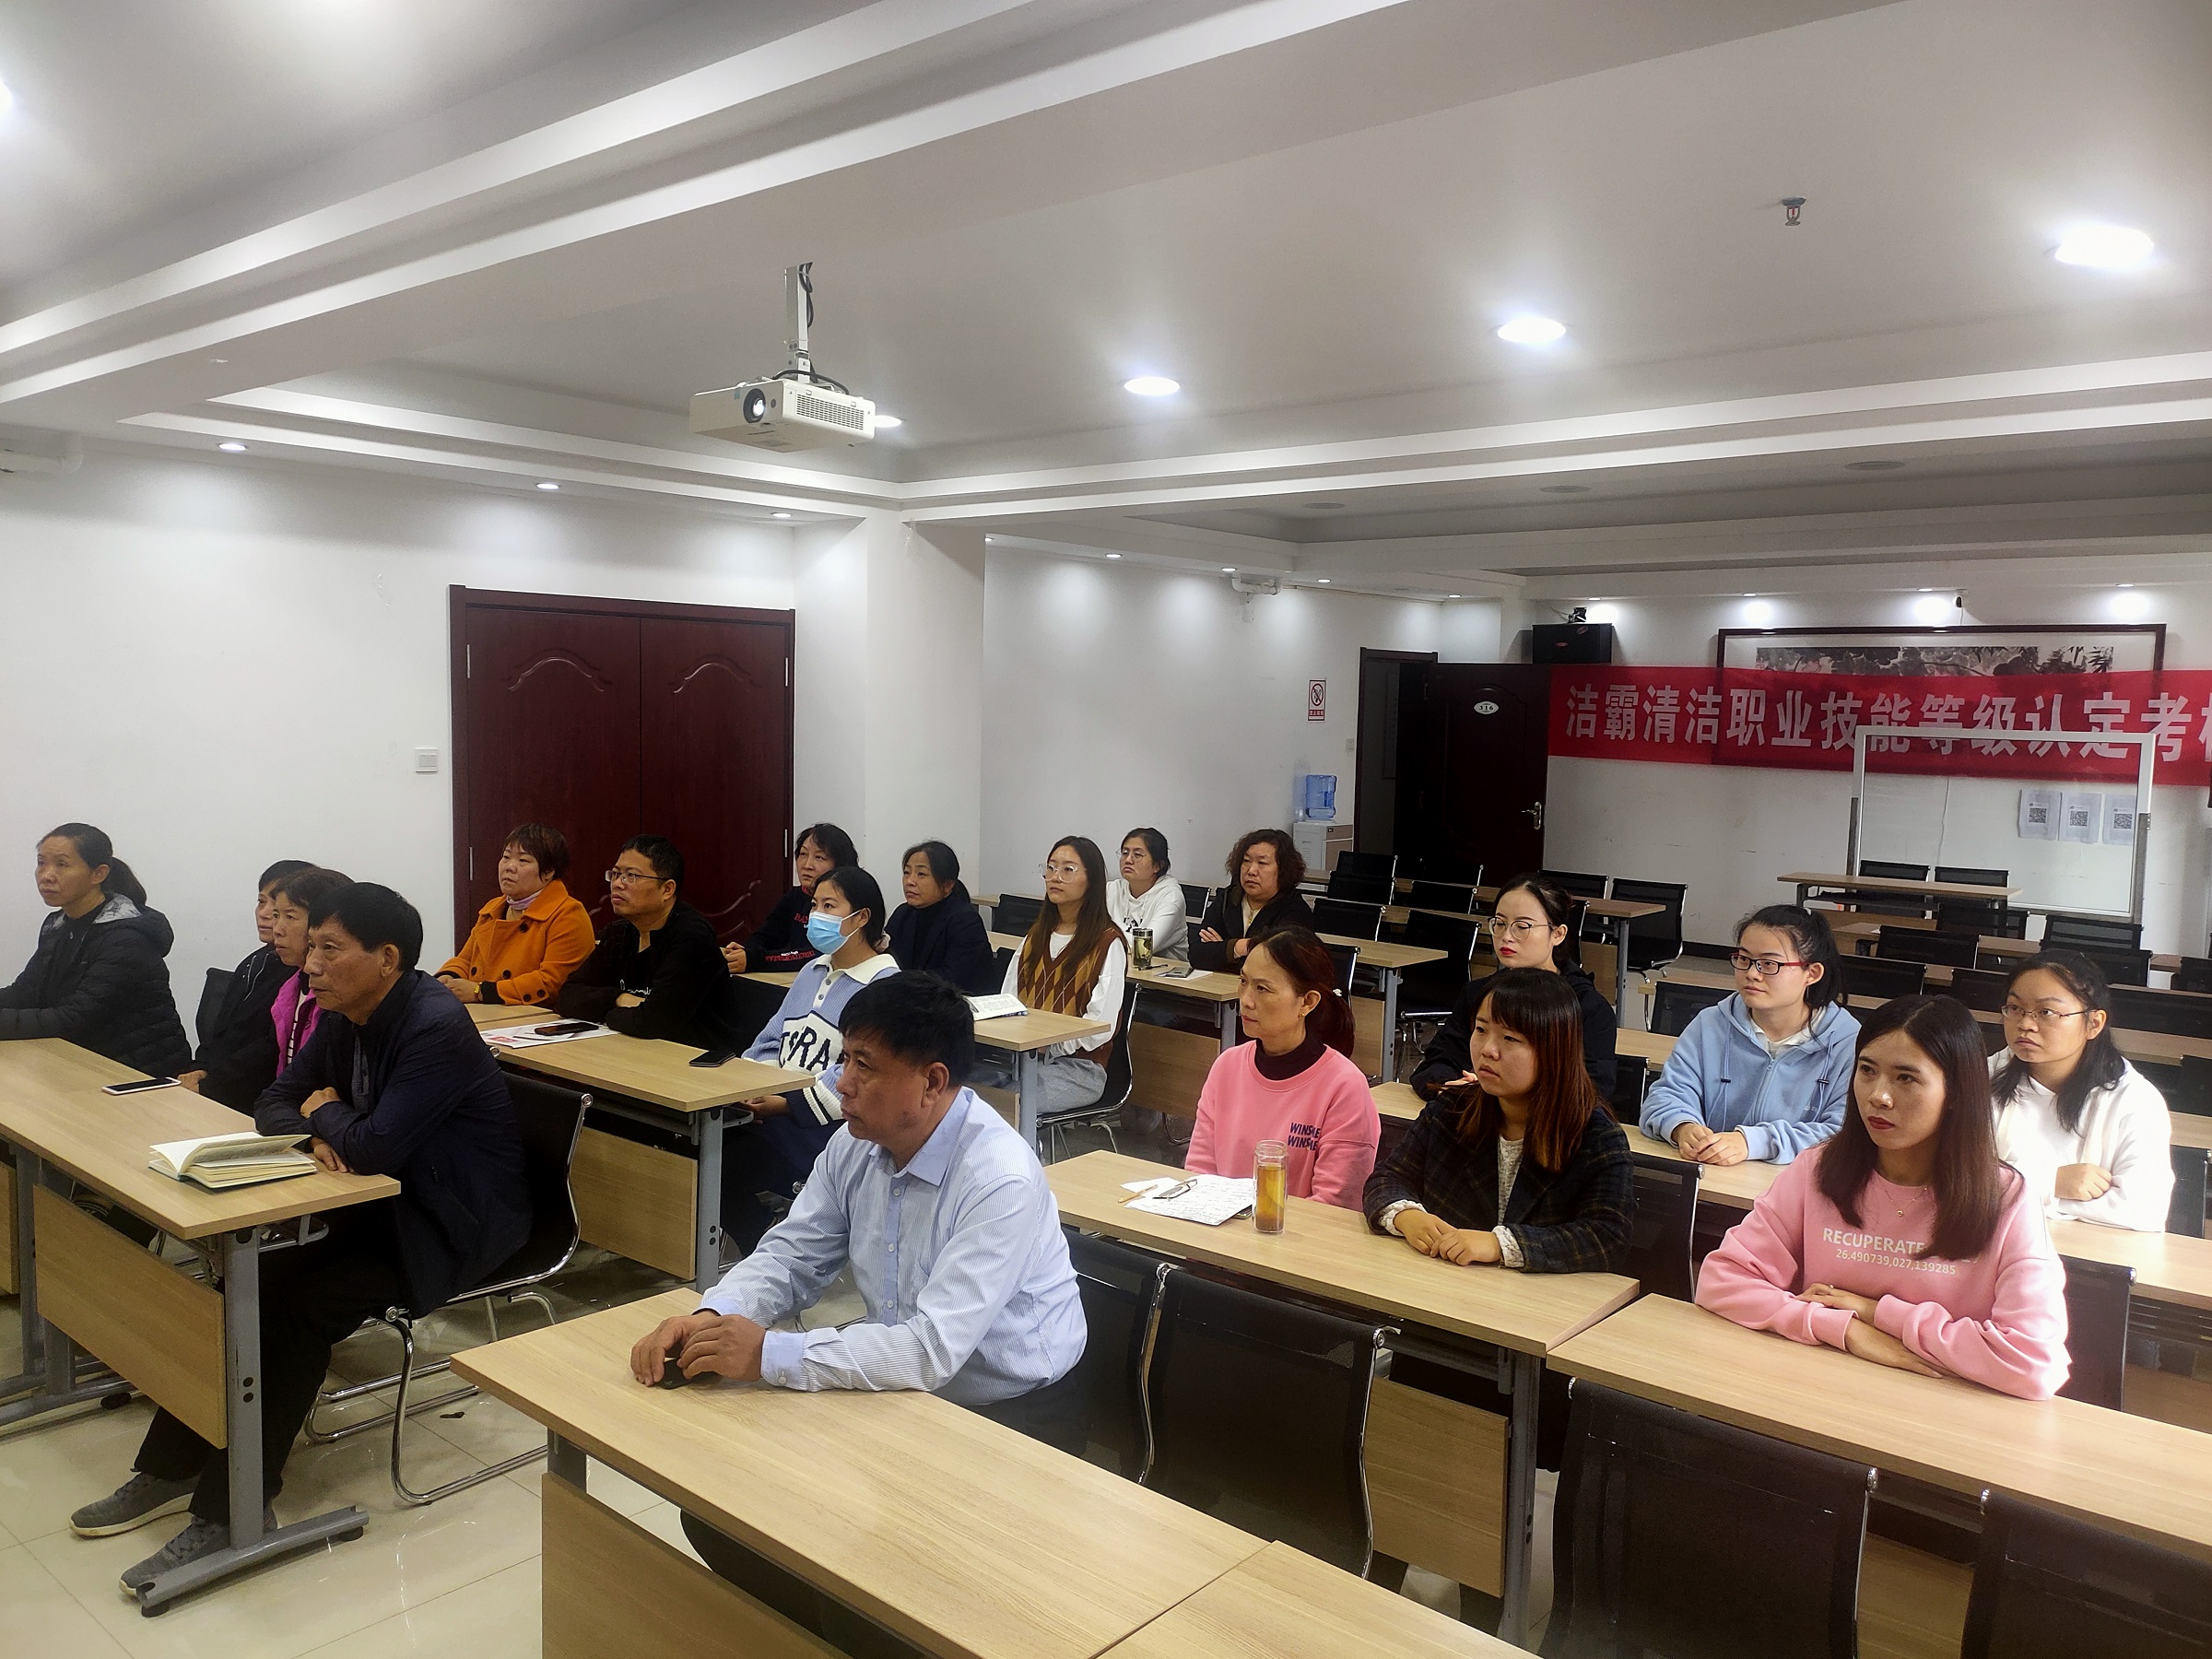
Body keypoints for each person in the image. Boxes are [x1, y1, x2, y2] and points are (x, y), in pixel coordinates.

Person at [76, 883, 529, 1583]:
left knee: (291, 1308)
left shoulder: (434, 1025)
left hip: (448, 1222)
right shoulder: (345, 1011)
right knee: (244, 1284)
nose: (310, 964)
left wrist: (328, 1115)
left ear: (387, 958)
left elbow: (375, 1147)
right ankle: (170, 1467)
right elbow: (276, 1098)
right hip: (373, 1205)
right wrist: (322, 1122)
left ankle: (234, 1513)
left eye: (329, 948)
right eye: (311, 946)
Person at [629, 973, 1086, 1651]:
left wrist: (768, 1353)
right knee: (727, 1520)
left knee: (871, 1597)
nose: (840, 1083)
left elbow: (931, 1350)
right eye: (844, 1058)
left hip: (1013, 1415)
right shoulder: (856, 1143)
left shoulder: (999, 1177)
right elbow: (792, 1254)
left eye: (864, 1066)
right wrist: (714, 1315)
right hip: (901, 1390)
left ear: (932, 1082)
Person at [1696, 994, 2071, 1400]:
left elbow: (2033, 1363)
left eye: (1905, 1078)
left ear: (1957, 1092)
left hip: (1939, 1406)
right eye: (1867, 1070)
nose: (1878, 1096)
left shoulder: (2006, 1199)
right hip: (1811, 1392)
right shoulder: (1816, 1170)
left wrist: (1877, 1313)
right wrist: (1846, 1330)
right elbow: (1721, 1281)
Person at [1365, 968, 1634, 1273]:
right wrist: (1407, 1215)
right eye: (1481, 1030)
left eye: (1509, 1038)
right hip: (1443, 1282)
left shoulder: (1597, 1137)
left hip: (1536, 1297)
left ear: (1554, 1051)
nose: (1487, 1050)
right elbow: (1387, 1178)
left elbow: (1607, 1237)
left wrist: (1501, 1245)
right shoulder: (1453, 1109)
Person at [725, 865, 900, 1249]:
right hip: (773, 1113)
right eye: (815, 905)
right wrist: (752, 1089)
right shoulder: (812, 971)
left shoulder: (884, 986)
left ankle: (772, 1253)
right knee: (694, 1146)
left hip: (827, 1129)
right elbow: (770, 1040)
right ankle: (769, 1242)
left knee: (720, 1166)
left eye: (829, 906)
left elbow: (860, 1074)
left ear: (862, 917)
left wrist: (785, 1103)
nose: (816, 915)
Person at [1639, 904, 1858, 1166]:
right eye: (1744, 959)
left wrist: (1753, 1142)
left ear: (1812, 973)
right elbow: (1666, 1095)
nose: (1752, 974)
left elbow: (1843, 1134)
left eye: (1769, 964)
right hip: (1714, 1176)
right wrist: (1682, 1126)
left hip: (1797, 1184)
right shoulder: (1710, 1025)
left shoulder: (1849, 1044)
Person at [1185, 927, 1378, 1208]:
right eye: (1243, 982)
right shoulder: (1227, 1065)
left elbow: (1333, 1206)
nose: (1246, 1000)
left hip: (1299, 1234)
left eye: (1262, 989)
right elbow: (1200, 1172)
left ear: (1307, 1002)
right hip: (1220, 1227)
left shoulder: (1344, 1086)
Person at [1990, 952, 2172, 1231]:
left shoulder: (2136, 1102)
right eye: (2015, 1008)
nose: (2025, 1023)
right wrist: (2053, 1183)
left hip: (2087, 1252)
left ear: (2094, 1023)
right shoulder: (1982, 1076)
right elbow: (1948, 1177)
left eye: (2046, 1012)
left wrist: (2008, 1189)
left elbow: (2144, 1210)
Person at [0, 823, 190, 1077]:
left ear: (98, 874)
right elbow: (25, 992)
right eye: (41, 863)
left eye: (61, 865)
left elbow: (73, 1019)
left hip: (137, 1072)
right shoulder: (58, 925)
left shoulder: (126, 937)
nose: (46, 875)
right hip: (76, 1060)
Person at [1409, 872, 1617, 1101]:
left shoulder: (1587, 1006)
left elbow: (1593, 1091)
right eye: (1500, 923)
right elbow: (1435, 1063)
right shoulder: (1479, 993)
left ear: (1558, 934)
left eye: (1522, 926)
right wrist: (1452, 1086)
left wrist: (1506, 1099)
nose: (1506, 936)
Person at [559, 835, 734, 1050]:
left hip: (694, 1057)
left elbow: (654, 1022)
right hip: (634, 1048)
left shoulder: (692, 938)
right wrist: (619, 999)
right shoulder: (619, 933)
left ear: (667, 889)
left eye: (631, 876)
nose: (617, 884)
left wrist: (605, 1013)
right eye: (616, 874)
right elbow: (567, 997)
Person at [999, 836, 1126, 1112]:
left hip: (1079, 1068)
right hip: (1024, 1058)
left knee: (1009, 1102)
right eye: (1051, 868)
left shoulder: (1107, 942)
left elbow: (1099, 1027)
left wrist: (1048, 1047)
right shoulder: (1036, 935)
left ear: (1091, 880)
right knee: (964, 1089)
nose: (1055, 877)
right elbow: (1007, 1000)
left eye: (1068, 869)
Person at [177, 858, 313, 1108]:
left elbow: (268, 1051)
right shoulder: (255, 961)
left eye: (286, 913)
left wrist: (211, 1085)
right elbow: (219, 1032)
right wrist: (200, 1068)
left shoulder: (301, 977)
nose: (265, 914)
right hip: (224, 1090)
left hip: (252, 1099)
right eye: (262, 902)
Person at [436, 822, 594, 1008]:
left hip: (536, 1017)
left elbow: (552, 982)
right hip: (487, 1011)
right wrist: (447, 977)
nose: (509, 867)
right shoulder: (493, 908)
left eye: (523, 860)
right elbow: (466, 960)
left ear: (548, 871)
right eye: (506, 857)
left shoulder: (568, 914)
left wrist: (482, 991)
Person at [724, 822, 858, 976]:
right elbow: (768, 935)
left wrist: (757, 960)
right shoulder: (795, 896)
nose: (807, 865)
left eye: (819, 857)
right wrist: (745, 951)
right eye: (803, 854)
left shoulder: (847, 902)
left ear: (839, 864)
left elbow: (819, 953)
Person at [1190, 829, 1315, 972]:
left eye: (1262, 863)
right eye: (1246, 861)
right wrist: (1240, 947)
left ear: (1283, 870)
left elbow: (1275, 965)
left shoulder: (1295, 910)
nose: (1251, 871)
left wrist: (1226, 950)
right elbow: (1196, 954)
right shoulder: (1228, 899)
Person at [267, 868, 353, 1076]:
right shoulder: (289, 987)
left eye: (290, 916)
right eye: (276, 916)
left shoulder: (344, 998)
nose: (277, 929)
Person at [884, 841, 998, 994]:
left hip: (953, 1002)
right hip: (909, 997)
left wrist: (899, 982)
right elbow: (885, 959)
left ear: (948, 885)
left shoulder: (965, 921)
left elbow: (951, 979)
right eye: (906, 872)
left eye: (921, 874)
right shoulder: (903, 914)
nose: (910, 881)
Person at [1106, 828, 1187, 964]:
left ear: (1157, 866)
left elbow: (1142, 949)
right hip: (1121, 967)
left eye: (1137, 855)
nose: (1128, 860)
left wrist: (1105, 932)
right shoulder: (1112, 890)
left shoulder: (1171, 897)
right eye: (1125, 853)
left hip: (1163, 974)